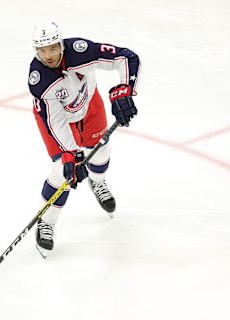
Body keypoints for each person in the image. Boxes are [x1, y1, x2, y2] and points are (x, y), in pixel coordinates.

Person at [28, 21, 140, 257]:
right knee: (62, 171)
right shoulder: (40, 79)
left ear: (61, 44)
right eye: (42, 50)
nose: (48, 55)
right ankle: (46, 222)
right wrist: (71, 154)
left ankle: (98, 181)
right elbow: (55, 122)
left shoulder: (82, 51)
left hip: (89, 107)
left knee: (101, 152)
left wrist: (124, 90)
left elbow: (126, 57)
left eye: (52, 47)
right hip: (56, 120)